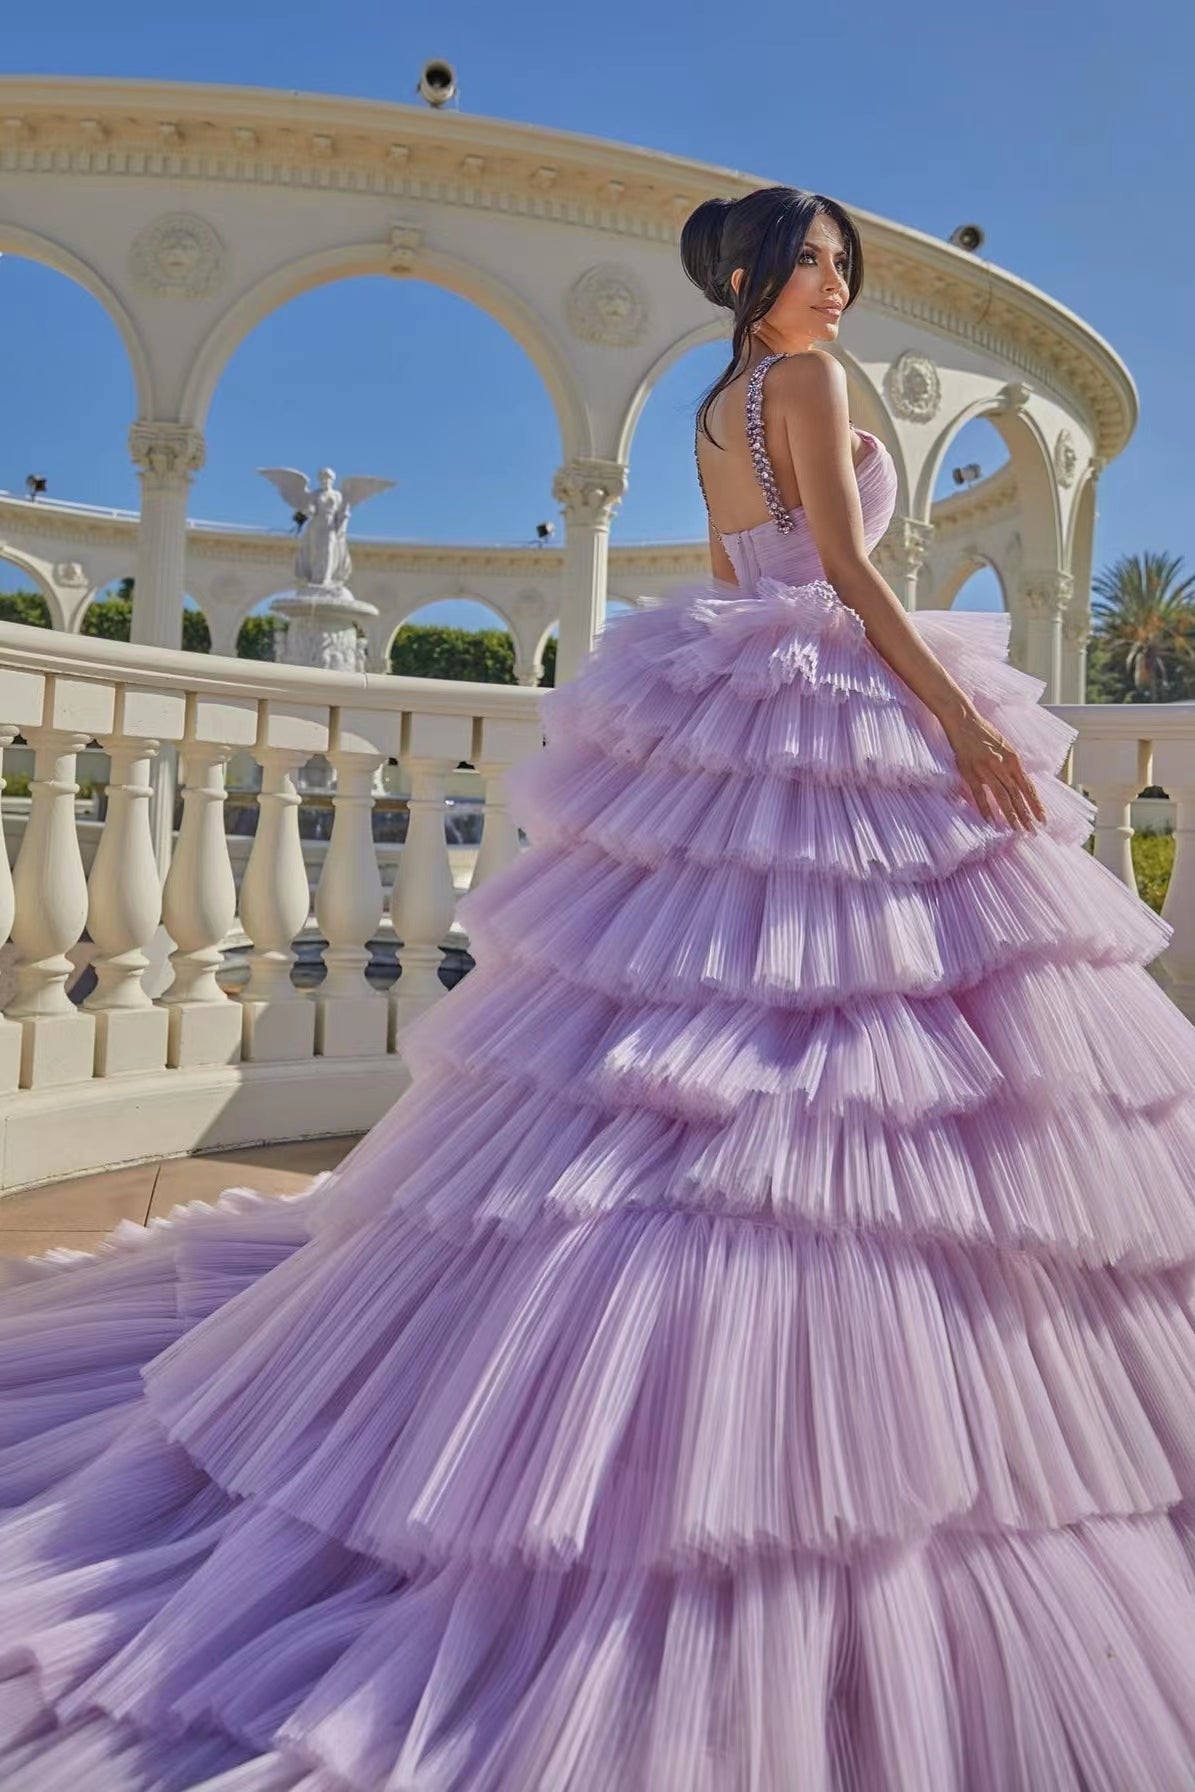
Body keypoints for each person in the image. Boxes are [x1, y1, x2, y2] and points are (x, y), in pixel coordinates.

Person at [1, 184, 1194, 1791]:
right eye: (808, 264)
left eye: (845, 264)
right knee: (857, 1049)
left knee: (709, 1033)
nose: (833, 286)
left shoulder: (717, 399)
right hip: (837, 703)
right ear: (754, 278)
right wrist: (966, 729)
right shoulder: (812, 385)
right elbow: (844, 568)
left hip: (734, 695)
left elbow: (734, 564)